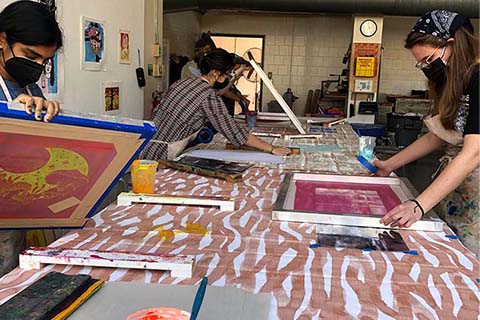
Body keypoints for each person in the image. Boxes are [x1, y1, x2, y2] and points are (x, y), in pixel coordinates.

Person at [374, 10, 479, 256]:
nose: (427, 68)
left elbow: (474, 152)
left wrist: (418, 206)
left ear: (451, 45)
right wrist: (389, 164)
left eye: (429, 61)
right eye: (421, 63)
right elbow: (439, 135)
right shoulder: (459, 78)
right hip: (458, 188)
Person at [0, 0, 63, 276]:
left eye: (44, 61)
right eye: (29, 54)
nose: (36, 65)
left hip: (14, 216)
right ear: (1, 40)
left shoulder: (31, 86)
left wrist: (51, 120)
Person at [140, 48, 292, 161]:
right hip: (159, 155)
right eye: (226, 74)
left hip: (144, 147)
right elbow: (234, 133)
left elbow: (158, 112)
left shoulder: (182, 83)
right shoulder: (208, 96)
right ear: (214, 72)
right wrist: (272, 148)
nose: (227, 77)